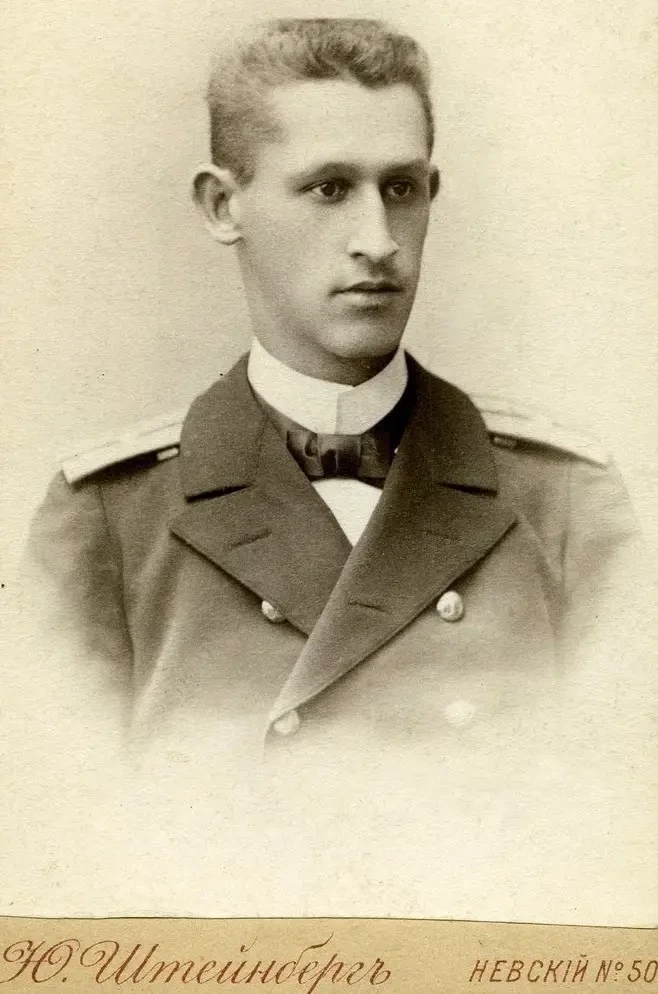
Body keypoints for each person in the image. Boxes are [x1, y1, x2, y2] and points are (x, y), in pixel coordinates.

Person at [23, 18, 651, 782]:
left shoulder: (565, 504)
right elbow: (69, 820)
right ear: (223, 205)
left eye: (401, 189)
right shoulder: (109, 520)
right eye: (330, 189)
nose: (379, 240)